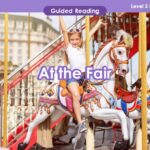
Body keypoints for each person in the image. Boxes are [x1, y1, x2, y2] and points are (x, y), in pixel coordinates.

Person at [59, 16, 105, 133]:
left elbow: (89, 34)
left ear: (80, 40)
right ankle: (79, 122)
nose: (74, 42)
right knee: (75, 95)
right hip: (72, 77)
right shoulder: (69, 48)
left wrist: (98, 23)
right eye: (72, 40)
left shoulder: (82, 48)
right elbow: (64, 31)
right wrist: (60, 15)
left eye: (76, 40)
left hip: (84, 77)